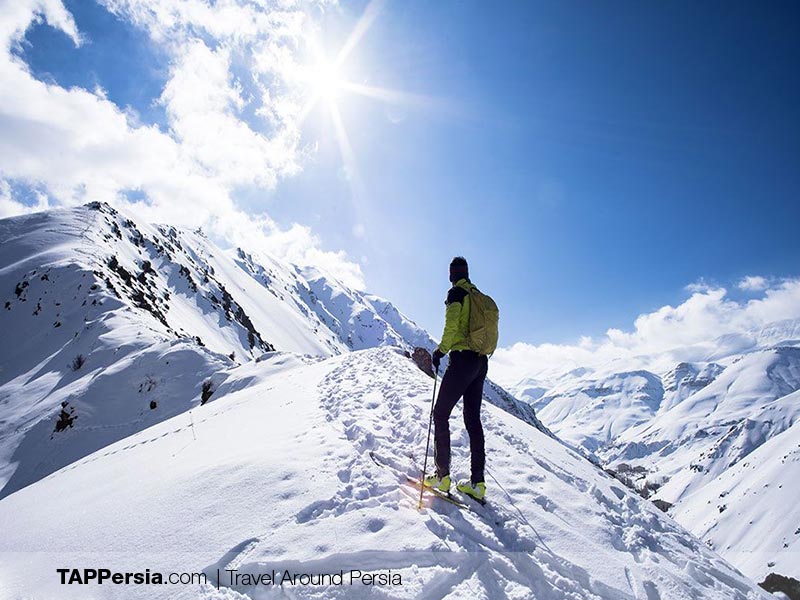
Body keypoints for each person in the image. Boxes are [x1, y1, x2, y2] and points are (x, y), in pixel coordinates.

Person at [424, 256, 489, 501]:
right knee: (473, 421)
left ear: (452, 275)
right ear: (467, 274)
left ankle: (442, 477)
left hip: (462, 360)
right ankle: (477, 483)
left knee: (440, 414)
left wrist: (440, 351)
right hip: (481, 362)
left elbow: (451, 327)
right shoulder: (476, 295)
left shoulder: (456, 294)